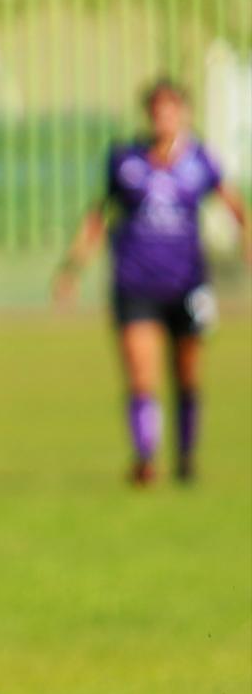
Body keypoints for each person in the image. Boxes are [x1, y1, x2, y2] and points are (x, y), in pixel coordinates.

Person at [56, 78, 249, 484]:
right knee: (141, 375)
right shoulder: (125, 161)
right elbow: (98, 216)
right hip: (135, 283)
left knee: (187, 374)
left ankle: (185, 457)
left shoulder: (200, 161)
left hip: (188, 283)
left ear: (183, 114)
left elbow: (236, 207)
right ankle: (145, 458)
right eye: (157, 110)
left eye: (171, 109)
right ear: (148, 114)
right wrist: (72, 269)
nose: (164, 117)